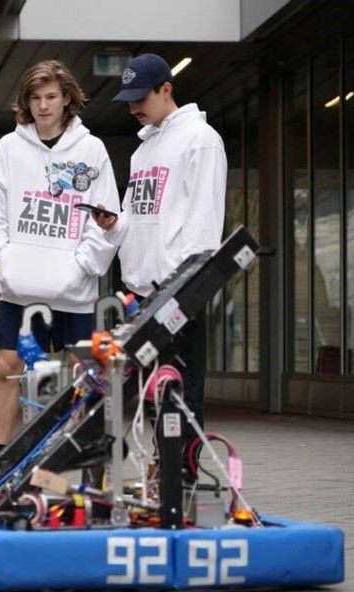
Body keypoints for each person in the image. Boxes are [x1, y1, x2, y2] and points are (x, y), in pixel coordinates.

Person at [0, 60, 120, 460]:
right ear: (26, 102)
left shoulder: (91, 150)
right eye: (35, 98)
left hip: (74, 290)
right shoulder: (8, 148)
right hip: (21, 287)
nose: (43, 106)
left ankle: (77, 456)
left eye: (51, 97)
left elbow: (105, 217)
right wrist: (6, 262)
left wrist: (81, 267)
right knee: (8, 368)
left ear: (67, 99)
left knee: (84, 372)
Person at [99, 53, 227, 429]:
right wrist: (112, 224)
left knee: (183, 391)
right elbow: (136, 220)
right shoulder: (143, 151)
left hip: (178, 288)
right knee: (154, 392)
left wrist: (188, 286)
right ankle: (160, 473)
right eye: (128, 100)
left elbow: (204, 220)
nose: (134, 107)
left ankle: (181, 478)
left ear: (166, 89)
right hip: (142, 290)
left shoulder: (200, 140)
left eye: (141, 97)